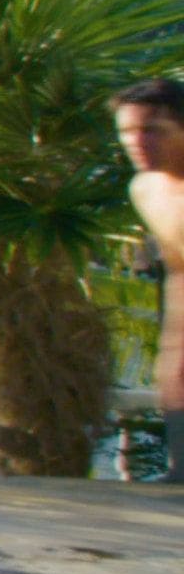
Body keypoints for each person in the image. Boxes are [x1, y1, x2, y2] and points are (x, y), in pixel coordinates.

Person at [115, 78, 184, 427]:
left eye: (152, 130)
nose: (137, 142)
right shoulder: (147, 191)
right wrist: (173, 356)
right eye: (127, 131)